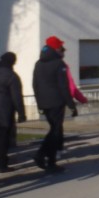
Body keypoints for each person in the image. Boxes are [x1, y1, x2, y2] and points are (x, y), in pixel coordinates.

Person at [32, 35, 75, 172]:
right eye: (60, 47)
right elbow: (63, 86)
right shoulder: (58, 64)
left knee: (53, 130)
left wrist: (39, 103)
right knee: (55, 131)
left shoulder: (39, 63)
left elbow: (35, 85)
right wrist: (71, 104)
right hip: (56, 101)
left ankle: (45, 157)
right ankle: (46, 158)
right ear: (56, 48)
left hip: (44, 102)